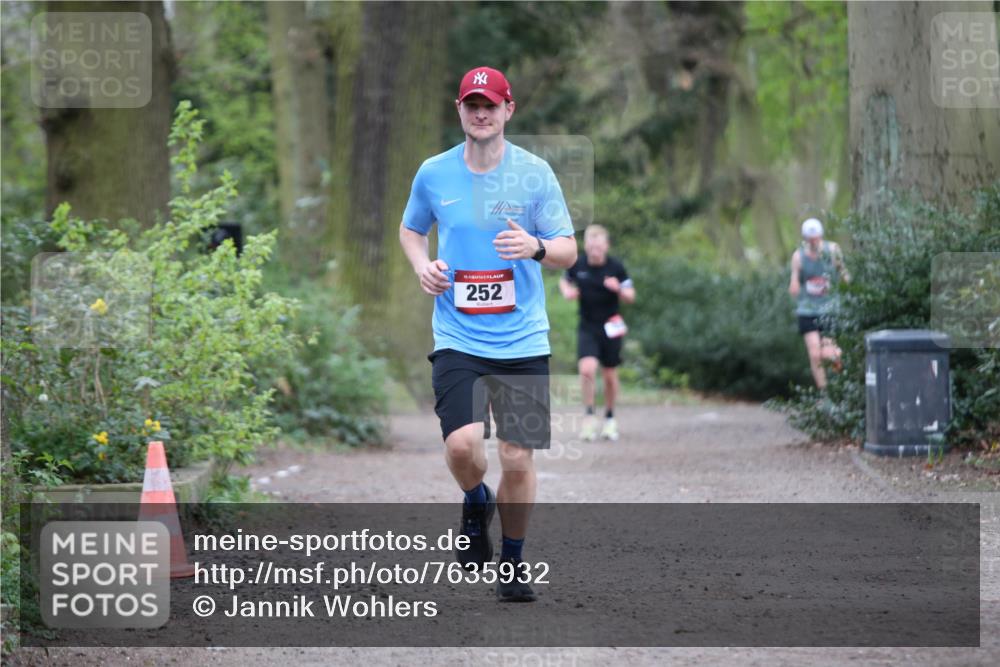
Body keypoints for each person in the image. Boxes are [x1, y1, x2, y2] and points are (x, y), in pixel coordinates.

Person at [398, 66, 577, 602]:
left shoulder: (535, 174)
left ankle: (513, 562)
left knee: (518, 457)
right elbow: (411, 229)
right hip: (458, 335)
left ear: (508, 110)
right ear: (459, 110)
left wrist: (536, 248)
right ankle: (476, 498)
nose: (481, 113)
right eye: (472, 105)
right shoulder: (434, 173)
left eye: (490, 105)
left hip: (523, 339)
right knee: (462, 446)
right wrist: (422, 266)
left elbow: (567, 249)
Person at [559, 225, 635, 441]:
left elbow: (631, 296)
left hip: (611, 327)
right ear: (586, 246)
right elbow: (565, 280)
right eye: (591, 246)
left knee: (609, 375)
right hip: (588, 326)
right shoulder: (578, 264)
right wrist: (568, 291)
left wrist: (618, 288)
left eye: (599, 246)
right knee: (587, 369)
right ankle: (589, 416)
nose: (595, 250)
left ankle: (610, 418)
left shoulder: (616, 267)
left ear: (606, 246)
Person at [788, 217, 849, 390]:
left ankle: (842, 378)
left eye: (816, 238)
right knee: (815, 354)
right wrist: (794, 286)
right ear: (805, 239)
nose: (813, 242)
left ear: (821, 236)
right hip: (807, 310)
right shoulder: (798, 256)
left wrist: (846, 283)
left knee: (828, 353)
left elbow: (844, 273)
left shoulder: (833, 249)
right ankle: (825, 393)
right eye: (810, 239)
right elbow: (794, 282)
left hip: (830, 309)